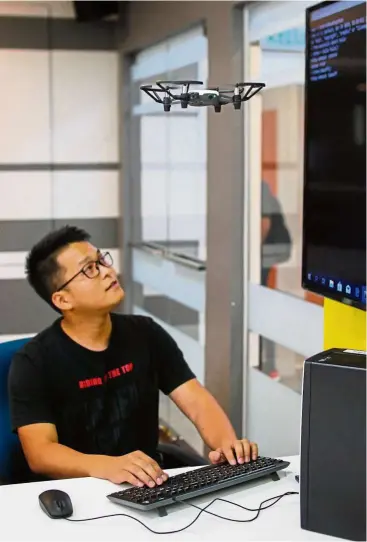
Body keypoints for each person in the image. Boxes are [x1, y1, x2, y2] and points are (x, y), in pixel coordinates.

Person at [8, 226, 258, 487]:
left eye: (102, 260)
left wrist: (228, 447)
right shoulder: (34, 362)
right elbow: (40, 453)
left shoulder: (145, 334)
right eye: (89, 269)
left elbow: (195, 400)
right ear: (63, 299)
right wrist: (108, 466)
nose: (107, 271)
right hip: (77, 490)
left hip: (148, 484)